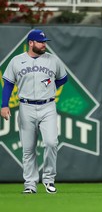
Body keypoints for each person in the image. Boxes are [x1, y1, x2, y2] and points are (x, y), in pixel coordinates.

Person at [0, 29, 68, 194]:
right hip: (26, 107)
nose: (44, 44)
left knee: (52, 143)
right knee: (28, 148)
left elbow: (63, 78)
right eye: (41, 42)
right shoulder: (17, 61)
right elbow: (8, 83)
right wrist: (4, 105)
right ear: (30, 43)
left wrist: (51, 87)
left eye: (45, 41)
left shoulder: (53, 60)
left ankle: (49, 179)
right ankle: (30, 184)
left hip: (48, 106)